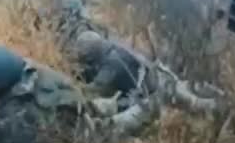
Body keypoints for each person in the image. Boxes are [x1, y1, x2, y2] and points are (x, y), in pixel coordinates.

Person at [72, 30, 218, 134]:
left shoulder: (112, 62)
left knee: (114, 125)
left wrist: (72, 88)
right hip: (157, 83)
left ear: (93, 53)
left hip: (150, 97)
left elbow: (95, 89)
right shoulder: (111, 47)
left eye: (86, 57)